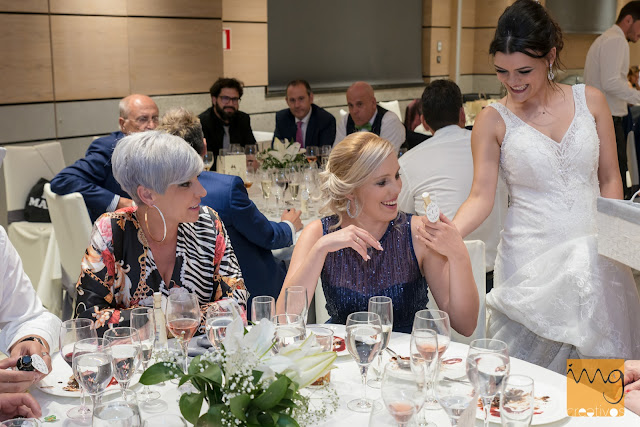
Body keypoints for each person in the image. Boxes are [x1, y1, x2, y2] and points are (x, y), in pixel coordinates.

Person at [453, 0, 640, 373]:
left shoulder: (591, 101)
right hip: (531, 263)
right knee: (532, 386)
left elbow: (609, 178)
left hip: (596, 261)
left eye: (524, 70)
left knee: (596, 387)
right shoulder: (492, 120)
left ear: (550, 56)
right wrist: (446, 232)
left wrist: (620, 249)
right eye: (502, 72)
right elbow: (480, 196)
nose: (513, 82)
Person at [275, 132, 478, 334]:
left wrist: (458, 254)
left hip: (407, 357)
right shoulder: (318, 234)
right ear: (350, 190)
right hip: (345, 354)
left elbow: (465, 325)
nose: (397, 189)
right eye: (382, 182)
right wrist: (320, 249)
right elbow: (285, 321)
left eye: (397, 176)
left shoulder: (417, 233)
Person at [74, 131, 248, 335]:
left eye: (197, 179)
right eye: (185, 184)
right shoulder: (111, 232)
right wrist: (176, 321)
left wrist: (152, 324)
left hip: (200, 361)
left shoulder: (208, 223)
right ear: (147, 195)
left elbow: (237, 306)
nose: (202, 191)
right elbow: (86, 320)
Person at [157, 108, 302, 318]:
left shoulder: (156, 192)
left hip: (178, 304)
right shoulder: (226, 188)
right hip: (246, 295)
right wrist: (289, 226)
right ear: (204, 147)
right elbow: (266, 235)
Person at [398, 80, 506, 292]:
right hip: (499, 277)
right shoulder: (495, 149)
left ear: (424, 122)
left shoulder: (407, 163)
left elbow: (403, 220)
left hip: (441, 284)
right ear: (462, 114)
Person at [50, 94, 159, 222]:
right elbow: (64, 180)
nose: (151, 126)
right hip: (119, 231)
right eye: (143, 119)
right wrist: (119, 202)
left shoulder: (163, 148)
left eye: (155, 118)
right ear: (123, 124)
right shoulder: (108, 148)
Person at [584, 1, 640, 198]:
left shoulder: (605, 39)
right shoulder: (616, 40)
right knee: (615, 175)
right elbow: (611, 83)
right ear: (628, 20)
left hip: (603, 116)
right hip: (610, 118)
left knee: (606, 176)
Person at [198, 77, 256, 170]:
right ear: (214, 100)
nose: (230, 104)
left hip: (238, 174)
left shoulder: (243, 119)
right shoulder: (202, 122)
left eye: (235, 99)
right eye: (225, 98)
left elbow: (251, 149)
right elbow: (202, 159)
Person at [334, 81, 406, 151]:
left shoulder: (390, 121)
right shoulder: (345, 121)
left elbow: (385, 159)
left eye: (359, 104)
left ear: (373, 103)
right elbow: (336, 157)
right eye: (350, 105)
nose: (354, 111)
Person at [273, 79, 336, 147]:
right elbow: (276, 150)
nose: (297, 105)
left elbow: (325, 153)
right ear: (287, 101)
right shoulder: (282, 118)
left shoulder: (325, 120)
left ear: (311, 98)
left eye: (301, 99)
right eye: (292, 100)